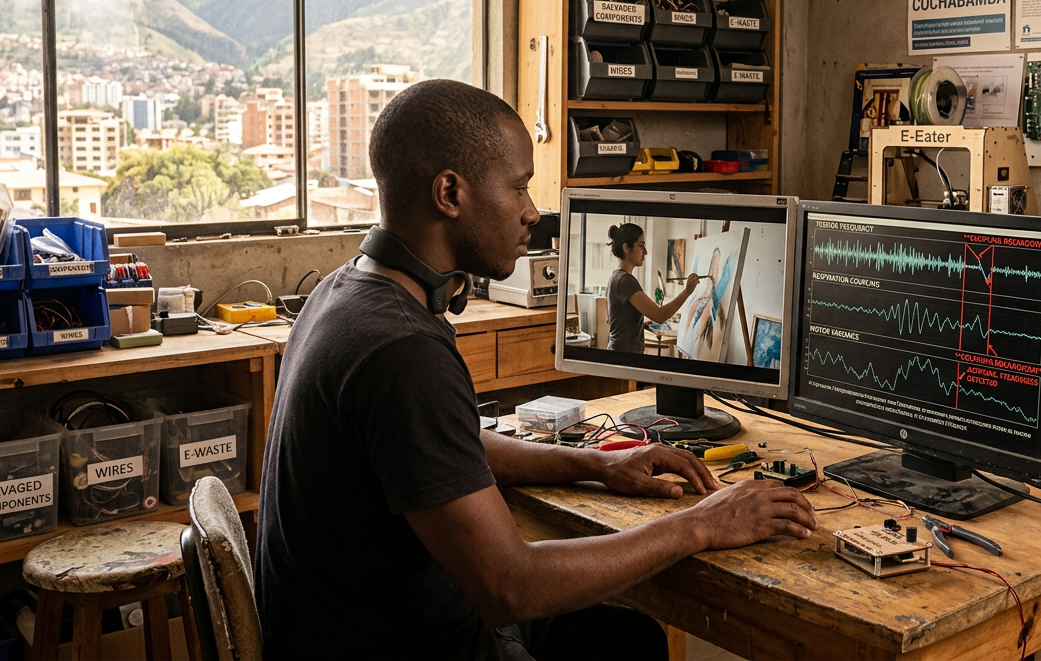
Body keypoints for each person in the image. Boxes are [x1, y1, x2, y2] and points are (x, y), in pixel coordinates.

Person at [256, 79, 818, 661]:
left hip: (365, 629)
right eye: (519, 187)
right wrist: (701, 524)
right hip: (411, 646)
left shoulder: (346, 291)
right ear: (450, 192)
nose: (531, 211)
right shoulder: (402, 349)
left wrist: (597, 464)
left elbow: (449, 444)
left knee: (627, 639)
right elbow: (510, 586)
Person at [605, 223, 700, 354]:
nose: (645, 252)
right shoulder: (625, 280)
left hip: (620, 354)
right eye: (641, 246)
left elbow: (615, 319)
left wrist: (639, 325)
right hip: (624, 359)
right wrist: (687, 291)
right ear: (626, 247)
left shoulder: (616, 276)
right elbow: (660, 316)